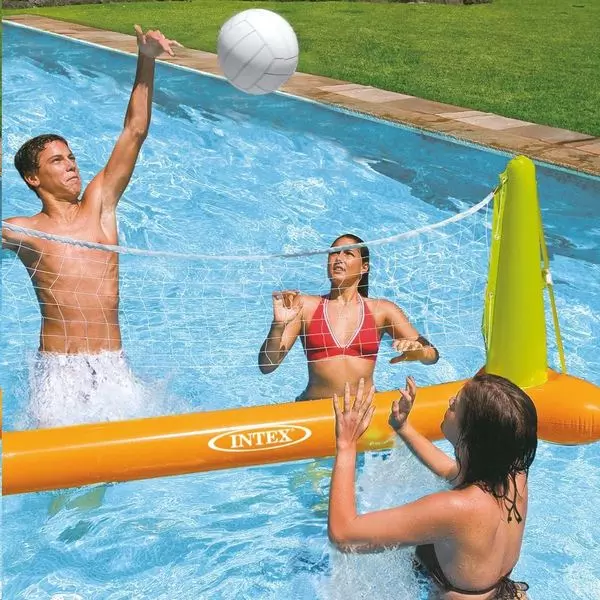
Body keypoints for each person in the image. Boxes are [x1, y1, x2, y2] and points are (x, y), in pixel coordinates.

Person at [2, 26, 181, 428]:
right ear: (33, 178)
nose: (71, 166)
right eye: (57, 161)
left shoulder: (99, 207)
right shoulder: (22, 230)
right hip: (57, 372)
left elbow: (134, 132)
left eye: (71, 158)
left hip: (112, 366)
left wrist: (146, 59)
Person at [328, 373, 536, 599]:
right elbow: (450, 471)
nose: (450, 401)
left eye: (456, 404)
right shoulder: (514, 478)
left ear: (471, 433)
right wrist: (403, 427)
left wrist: (346, 444)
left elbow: (343, 534)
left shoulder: (457, 509)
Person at [258, 233, 439, 400]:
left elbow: (433, 355)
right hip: (315, 409)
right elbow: (267, 366)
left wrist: (420, 352)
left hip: (366, 409)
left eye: (348, 254)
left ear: (364, 267)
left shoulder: (382, 310)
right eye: (334, 253)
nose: (339, 258)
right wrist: (278, 325)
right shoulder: (305, 307)